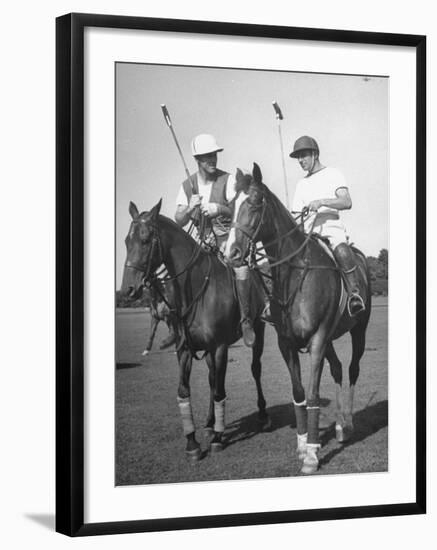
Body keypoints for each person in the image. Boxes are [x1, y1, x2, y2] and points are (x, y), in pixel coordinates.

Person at [175, 133, 256, 346]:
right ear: (197, 160)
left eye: (214, 155)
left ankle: (246, 320)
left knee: (241, 268)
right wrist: (190, 207)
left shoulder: (228, 180)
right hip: (199, 244)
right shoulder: (187, 186)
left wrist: (218, 208)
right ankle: (179, 324)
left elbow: (240, 210)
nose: (212, 160)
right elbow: (179, 220)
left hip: (225, 242)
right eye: (206, 156)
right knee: (177, 272)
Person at [289, 135, 365, 316]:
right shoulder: (301, 184)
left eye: (304, 155)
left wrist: (321, 202)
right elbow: (295, 215)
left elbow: (346, 202)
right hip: (307, 232)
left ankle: (354, 294)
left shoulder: (333, 174)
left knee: (341, 249)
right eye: (298, 157)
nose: (300, 160)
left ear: (315, 154)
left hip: (330, 227)